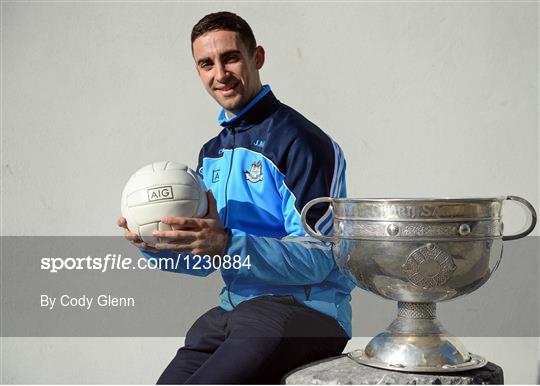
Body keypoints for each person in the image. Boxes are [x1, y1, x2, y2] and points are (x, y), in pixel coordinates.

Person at [118, 11, 354, 384]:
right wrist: (155, 243)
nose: (220, 74)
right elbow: (204, 260)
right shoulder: (212, 153)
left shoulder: (300, 142)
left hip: (306, 312)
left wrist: (227, 244)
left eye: (230, 57)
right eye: (206, 64)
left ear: (256, 58)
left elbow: (323, 257)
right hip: (235, 310)